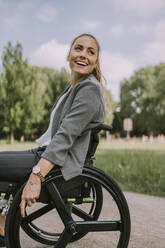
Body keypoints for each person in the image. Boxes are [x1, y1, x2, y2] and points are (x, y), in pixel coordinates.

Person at [0, 33, 105, 247]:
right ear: (69, 55)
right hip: (46, 153)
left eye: (90, 52)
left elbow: (65, 137)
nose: (83, 55)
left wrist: (36, 176)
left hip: (58, 164)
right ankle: (2, 224)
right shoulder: (74, 88)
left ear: (95, 62)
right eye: (78, 48)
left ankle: (2, 227)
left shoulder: (89, 89)